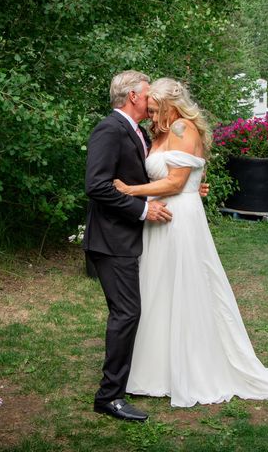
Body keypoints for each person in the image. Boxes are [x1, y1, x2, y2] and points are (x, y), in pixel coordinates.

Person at [113, 78, 268, 412]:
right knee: (158, 291)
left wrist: (129, 191)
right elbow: (174, 179)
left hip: (179, 221)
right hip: (161, 217)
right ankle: (154, 371)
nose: (151, 116)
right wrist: (178, 189)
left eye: (154, 110)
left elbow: (175, 181)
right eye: (149, 110)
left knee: (185, 290)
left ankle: (191, 367)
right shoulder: (163, 131)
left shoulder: (183, 128)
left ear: (170, 105)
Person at [83, 70, 173, 422]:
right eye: (147, 93)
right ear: (133, 95)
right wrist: (142, 209)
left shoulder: (134, 131)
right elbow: (98, 185)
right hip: (111, 239)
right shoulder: (110, 128)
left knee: (128, 312)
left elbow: (140, 179)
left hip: (127, 238)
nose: (151, 99)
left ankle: (121, 385)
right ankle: (109, 397)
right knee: (126, 313)